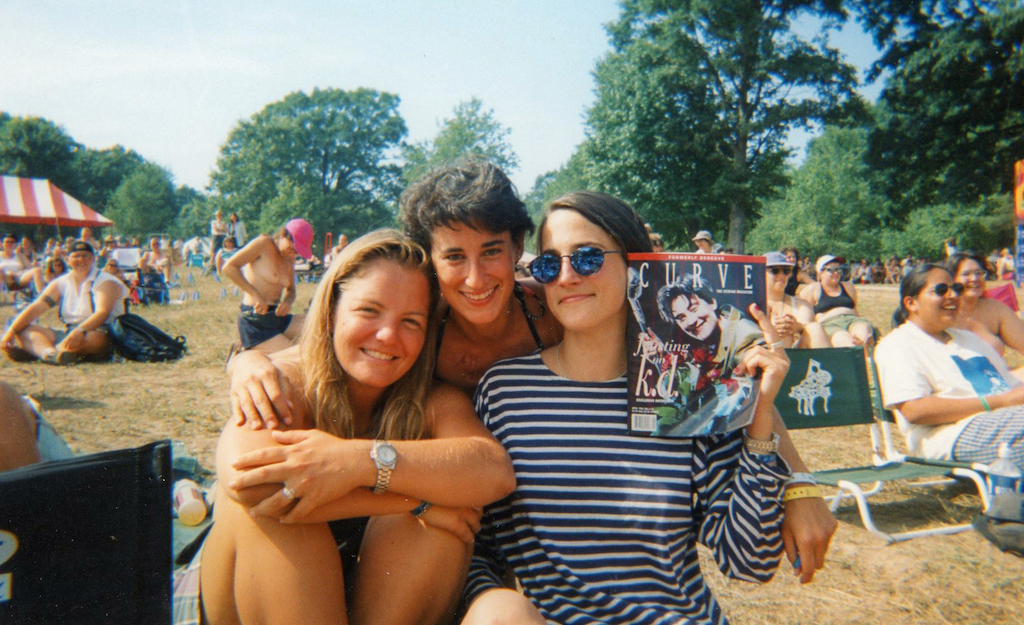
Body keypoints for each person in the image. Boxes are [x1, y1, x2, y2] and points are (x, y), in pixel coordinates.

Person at [231, 161, 836, 584]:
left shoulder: (554, 315)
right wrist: (247, 360)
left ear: (517, 248)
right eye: (454, 257)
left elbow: (723, 378)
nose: (475, 279)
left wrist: (800, 482)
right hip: (399, 495)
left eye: (492, 252)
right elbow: (314, 347)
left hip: (465, 503)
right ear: (431, 261)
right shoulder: (418, 322)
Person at [461, 192, 792, 624]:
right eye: (549, 264)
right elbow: (480, 548)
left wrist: (761, 421)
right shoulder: (505, 391)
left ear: (637, 267)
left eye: (588, 258)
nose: (566, 277)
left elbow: (750, 561)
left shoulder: (685, 390)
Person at [173, 229, 515, 625]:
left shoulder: (429, 399)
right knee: (282, 513)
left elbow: (493, 470)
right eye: (369, 311)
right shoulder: (282, 381)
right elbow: (249, 483)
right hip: (253, 592)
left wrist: (357, 461)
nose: (387, 335)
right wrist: (416, 501)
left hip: (368, 600)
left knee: (445, 517)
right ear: (331, 311)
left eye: (411, 321)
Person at [875, 264, 1024, 469]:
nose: (953, 295)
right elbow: (914, 410)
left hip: (1003, 420)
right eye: (941, 290)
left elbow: (1008, 386)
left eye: (956, 288)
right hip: (950, 433)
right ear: (911, 303)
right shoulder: (897, 345)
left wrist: (1009, 399)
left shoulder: (970, 340)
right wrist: (1001, 401)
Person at [1, 240, 128, 365]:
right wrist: (11, 331)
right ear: (67, 260)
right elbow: (37, 306)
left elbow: (102, 312)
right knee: (23, 330)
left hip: (99, 331)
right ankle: (51, 354)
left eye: (85, 256)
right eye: (76, 256)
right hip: (70, 331)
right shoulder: (61, 282)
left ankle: (39, 352)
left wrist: (81, 330)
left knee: (93, 339)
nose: (81, 259)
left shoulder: (106, 281)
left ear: (93, 259)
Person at [222, 218, 312, 354]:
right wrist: (256, 295)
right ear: (283, 235)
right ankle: (245, 351)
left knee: (319, 326)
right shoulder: (263, 244)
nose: (292, 254)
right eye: (291, 248)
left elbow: (291, 289)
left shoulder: (290, 258)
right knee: (297, 356)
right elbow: (229, 267)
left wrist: (287, 302)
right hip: (255, 320)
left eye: (296, 252)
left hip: (277, 317)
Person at [948, 252, 1024, 380]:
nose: (975, 278)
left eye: (979, 273)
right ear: (951, 280)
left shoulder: (995, 309)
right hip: (956, 383)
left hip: (997, 382)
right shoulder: (942, 314)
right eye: (966, 274)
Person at [802, 254, 877, 347]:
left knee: (863, 332)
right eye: (831, 270)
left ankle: (867, 350)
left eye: (838, 269)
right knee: (845, 339)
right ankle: (855, 351)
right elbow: (806, 316)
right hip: (830, 324)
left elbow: (855, 310)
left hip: (852, 320)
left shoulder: (848, 287)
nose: (836, 273)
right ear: (820, 272)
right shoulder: (813, 289)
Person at [765, 251, 828, 349]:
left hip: (795, 353)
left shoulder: (800, 304)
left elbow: (806, 321)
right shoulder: (752, 304)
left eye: (786, 271)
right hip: (762, 352)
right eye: (775, 270)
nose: (782, 275)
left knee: (814, 328)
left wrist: (796, 326)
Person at [139, 236, 172, 303]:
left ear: (160, 245)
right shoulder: (148, 254)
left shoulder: (164, 255)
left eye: (157, 244)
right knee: (141, 261)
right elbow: (142, 264)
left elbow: (166, 264)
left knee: (165, 264)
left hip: (160, 274)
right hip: (149, 274)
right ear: (151, 246)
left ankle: (167, 281)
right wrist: (153, 266)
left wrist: (157, 266)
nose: (156, 246)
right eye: (154, 244)